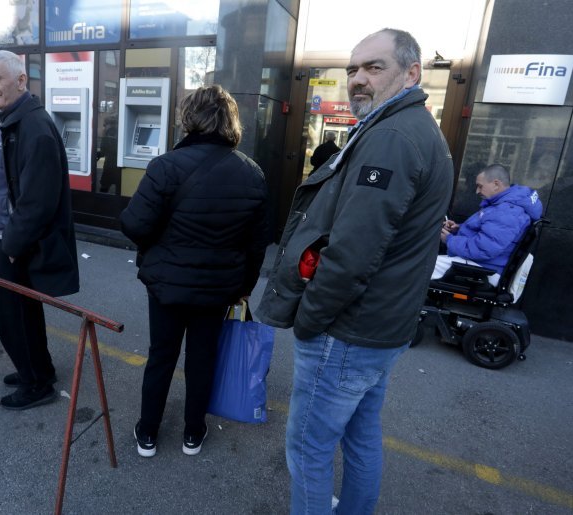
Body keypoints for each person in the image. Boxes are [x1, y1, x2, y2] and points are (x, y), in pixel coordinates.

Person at [256, 29, 453, 513]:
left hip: (347, 329)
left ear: (412, 73)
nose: (358, 79)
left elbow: (352, 253)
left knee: (309, 447)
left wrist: (310, 320)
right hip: (380, 327)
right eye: (353, 69)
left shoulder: (391, 136)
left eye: (373, 67)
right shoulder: (409, 128)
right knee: (361, 436)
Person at [120, 85, 270, 458]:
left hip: (167, 285)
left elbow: (135, 226)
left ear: (189, 118)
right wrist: (244, 287)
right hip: (219, 287)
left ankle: (148, 433)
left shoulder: (166, 166)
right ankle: (193, 432)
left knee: (161, 355)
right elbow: (257, 244)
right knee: (202, 358)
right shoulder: (253, 173)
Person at [0, 50, 79, 410]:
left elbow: (38, 201)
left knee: (13, 321)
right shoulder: (9, 118)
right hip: (10, 240)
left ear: (21, 81)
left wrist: (10, 246)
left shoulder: (34, 128)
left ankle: (36, 384)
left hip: (17, 244)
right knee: (24, 315)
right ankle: (38, 370)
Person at [434, 164, 543, 285]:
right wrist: (458, 229)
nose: (477, 191)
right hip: (483, 264)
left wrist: (449, 240)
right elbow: (489, 235)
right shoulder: (506, 206)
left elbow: (483, 249)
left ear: (496, 184)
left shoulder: (507, 212)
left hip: (483, 269)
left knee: (420, 267)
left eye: (480, 186)